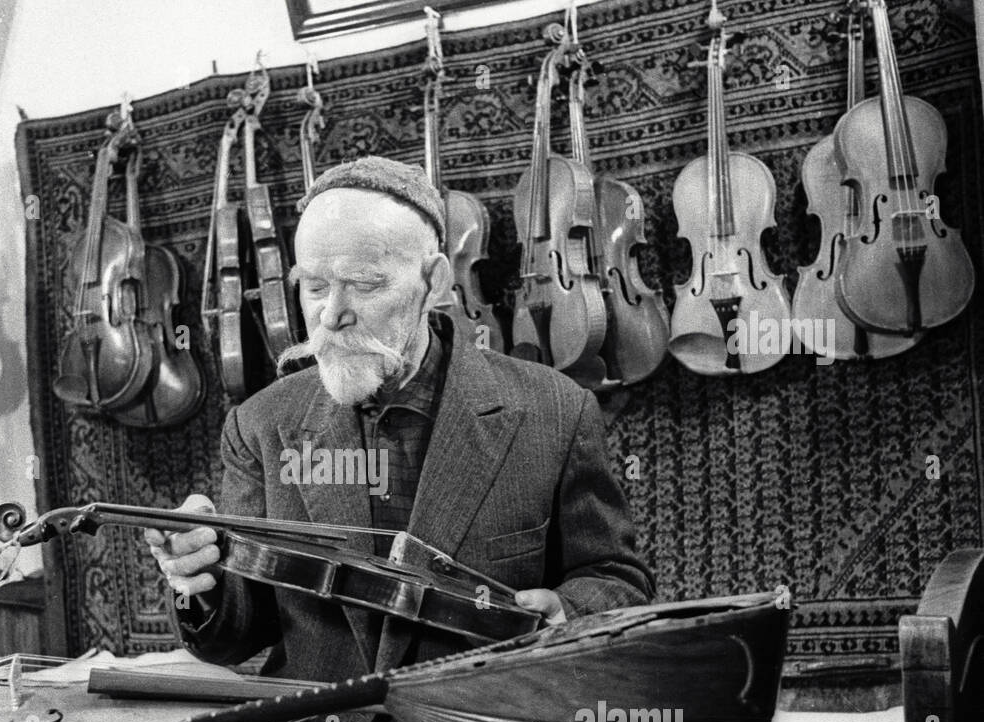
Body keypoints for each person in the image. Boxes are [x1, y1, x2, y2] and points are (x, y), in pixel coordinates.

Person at [147, 156, 653, 682]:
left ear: (433, 281)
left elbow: (616, 578)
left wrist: (568, 610)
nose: (330, 314)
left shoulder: (555, 410)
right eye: (314, 286)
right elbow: (238, 635)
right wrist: (198, 580)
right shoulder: (259, 426)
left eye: (363, 285)